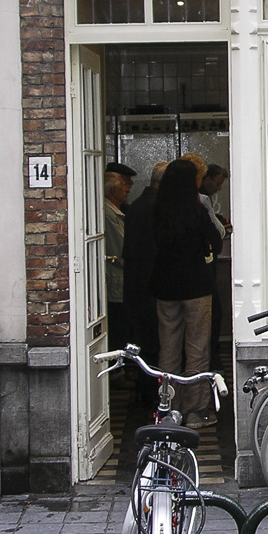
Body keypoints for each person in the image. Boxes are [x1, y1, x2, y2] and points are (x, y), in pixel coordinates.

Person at [149, 157, 223, 429]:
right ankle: (195, 411)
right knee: (197, 349)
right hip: (196, 286)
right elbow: (216, 241)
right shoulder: (196, 210)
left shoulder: (158, 211)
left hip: (165, 287)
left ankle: (168, 408)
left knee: (168, 349)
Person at [123, 161, 167, 408]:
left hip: (135, 281)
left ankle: (144, 389)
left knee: (141, 337)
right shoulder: (158, 208)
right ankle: (153, 393)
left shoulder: (136, 206)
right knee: (154, 340)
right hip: (152, 282)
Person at [199, 163, 232, 363]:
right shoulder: (202, 200)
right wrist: (223, 227)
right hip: (203, 268)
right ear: (206, 178)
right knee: (212, 312)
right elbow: (217, 231)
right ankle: (211, 358)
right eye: (217, 183)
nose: (219, 188)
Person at [104, 170, 130, 370]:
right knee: (117, 326)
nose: (127, 190)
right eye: (124, 186)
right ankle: (116, 372)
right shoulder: (109, 214)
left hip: (119, 279)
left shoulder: (116, 211)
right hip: (116, 279)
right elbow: (121, 248)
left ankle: (119, 371)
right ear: (113, 190)